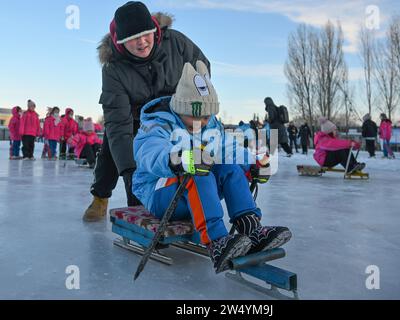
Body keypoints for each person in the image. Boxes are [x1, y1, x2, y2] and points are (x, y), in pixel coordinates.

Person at [132, 61, 292, 273]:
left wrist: (253, 164)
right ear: (180, 108)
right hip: (159, 192)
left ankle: (252, 228)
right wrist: (179, 159)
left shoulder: (211, 124)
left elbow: (230, 149)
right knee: (199, 171)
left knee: (230, 167)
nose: (203, 122)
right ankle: (217, 241)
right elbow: (148, 151)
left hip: (194, 192)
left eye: (207, 116)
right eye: (196, 116)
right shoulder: (158, 123)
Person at [82, 1, 211, 222]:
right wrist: (132, 175)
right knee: (112, 149)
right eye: (133, 38)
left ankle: (185, 199)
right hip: (134, 119)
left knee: (179, 154)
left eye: (146, 34)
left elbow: (202, 71)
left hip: (174, 114)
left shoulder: (176, 43)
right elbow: (118, 124)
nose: (142, 42)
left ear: (154, 29)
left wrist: (194, 104)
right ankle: (100, 196)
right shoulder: (114, 68)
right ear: (120, 41)